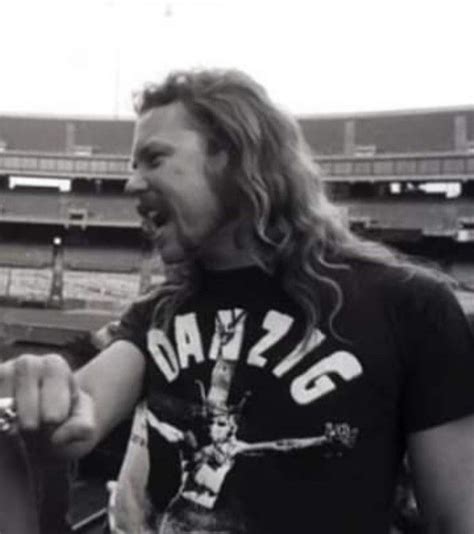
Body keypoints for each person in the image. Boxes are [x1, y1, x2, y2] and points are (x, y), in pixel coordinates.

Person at [1, 69, 474, 533]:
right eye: (133, 165)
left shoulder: (412, 306)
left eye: (154, 159)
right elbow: (84, 403)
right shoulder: (158, 313)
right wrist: (47, 392)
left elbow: (457, 519)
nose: (131, 184)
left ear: (233, 156)